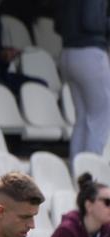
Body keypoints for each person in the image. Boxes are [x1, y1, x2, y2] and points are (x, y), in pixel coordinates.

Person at [57, 0, 110, 157]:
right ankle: (91, 169)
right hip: (90, 54)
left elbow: (57, 25)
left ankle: (76, 167)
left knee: (82, 118)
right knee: (100, 118)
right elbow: (91, 22)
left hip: (68, 53)